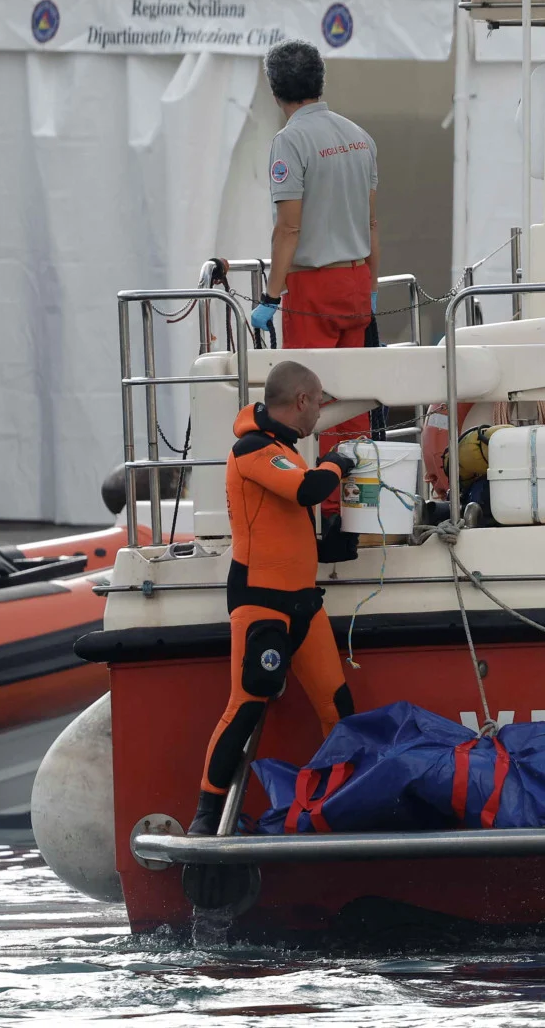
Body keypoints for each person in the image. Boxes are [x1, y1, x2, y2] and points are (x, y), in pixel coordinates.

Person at [190, 360, 357, 836]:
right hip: (262, 603)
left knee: (338, 706)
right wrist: (338, 463)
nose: (320, 412)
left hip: (304, 604)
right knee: (245, 705)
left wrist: (332, 546)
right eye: (319, 401)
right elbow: (307, 490)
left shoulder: (285, 449)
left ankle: (345, 801)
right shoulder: (254, 450)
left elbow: (287, 524)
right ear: (301, 400)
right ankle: (206, 813)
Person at [251, 40, 379, 459]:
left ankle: (323, 512)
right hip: (357, 280)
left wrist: (271, 296)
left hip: (312, 289)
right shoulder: (359, 137)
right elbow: (372, 222)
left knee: (306, 403)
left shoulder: (290, 142)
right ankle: (359, 500)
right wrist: (372, 285)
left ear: (275, 92)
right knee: (353, 400)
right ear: (320, 82)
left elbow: (288, 228)